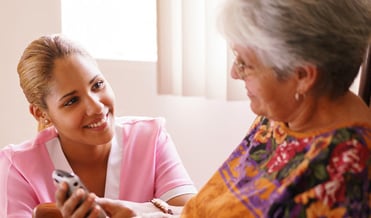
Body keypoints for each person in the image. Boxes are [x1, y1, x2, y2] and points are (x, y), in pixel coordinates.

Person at [56, 0, 371, 217]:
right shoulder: (282, 117)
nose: (235, 73)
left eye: (245, 63)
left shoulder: (343, 175)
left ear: (302, 76)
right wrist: (143, 213)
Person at [0, 34, 197, 217]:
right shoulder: (17, 168)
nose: (96, 107)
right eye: (72, 101)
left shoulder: (150, 138)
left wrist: (138, 211)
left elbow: (198, 213)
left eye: (97, 85)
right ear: (42, 114)